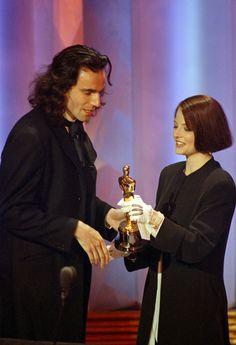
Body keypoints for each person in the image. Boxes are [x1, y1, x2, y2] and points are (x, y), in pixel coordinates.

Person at [0, 44, 124, 343]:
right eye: (87, 92)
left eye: (100, 93)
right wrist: (73, 229)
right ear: (62, 88)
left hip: (68, 274)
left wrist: (107, 215)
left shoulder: (76, 132)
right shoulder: (31, 135)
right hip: (34, 284)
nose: (97, 101)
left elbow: (72, 195)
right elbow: (11, 210)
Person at [124, 95, 236, 345]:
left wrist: (152, 218)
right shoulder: (169, 174)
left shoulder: (220, 183)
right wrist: (130, 242)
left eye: (186, 128)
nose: (177, 133)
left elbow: (197, 244)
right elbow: (159, 242)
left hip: (195, 303)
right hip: (158, 296)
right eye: (175, 125)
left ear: (207, 130)